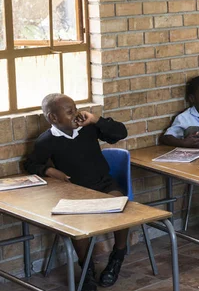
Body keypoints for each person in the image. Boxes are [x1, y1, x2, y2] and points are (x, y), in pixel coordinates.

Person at [24, 94, 129, 291]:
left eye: (76, 109)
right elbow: (30, 163)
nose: (76, 114)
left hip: (103, 184)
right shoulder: (46, 141)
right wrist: (49, 170)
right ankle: (86, 268)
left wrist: (96, 119)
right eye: (70, 111)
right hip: (76, 191)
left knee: (120, 206)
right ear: (53, 118)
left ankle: (118, 255)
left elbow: (120, 133)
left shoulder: (88, 128)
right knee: (76, 223)